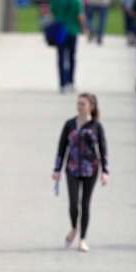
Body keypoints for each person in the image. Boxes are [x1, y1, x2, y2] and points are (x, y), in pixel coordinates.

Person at [52, 93, 109, 252]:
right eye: (78, 104)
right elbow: (61, 148)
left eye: (82, 104)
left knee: (85, 204)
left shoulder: (96, 126)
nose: (79, 106)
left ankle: (82, 239)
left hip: (91, 169)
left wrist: (105, 171)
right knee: (73, 204)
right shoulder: (69, 124)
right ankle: (74, 227)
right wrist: (57, 169)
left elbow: (103, 150)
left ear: (91, 106)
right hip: (72, 168)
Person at [50, 0, 85, 92]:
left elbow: (53, 12)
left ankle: (62, 84)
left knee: (61, 57)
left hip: (60, 31)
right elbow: (80, 16)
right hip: (73, 31)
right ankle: (70, 81)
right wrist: (83, 28)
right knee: (71, 57)